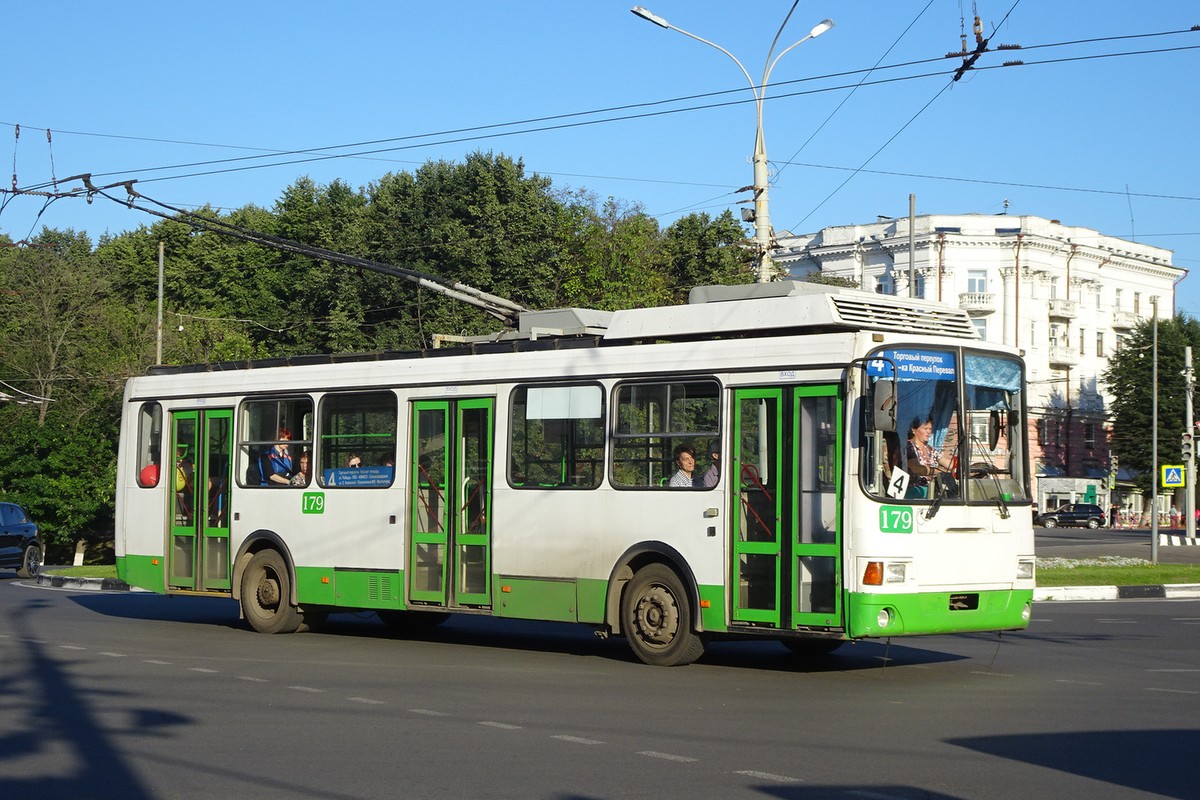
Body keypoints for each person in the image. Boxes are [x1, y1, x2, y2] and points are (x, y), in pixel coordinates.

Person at [905, 417, 953, 498]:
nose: (928, 432)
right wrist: (939, 472)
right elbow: (917, 469)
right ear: (913, 430)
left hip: (932, 488)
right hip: (914, 490)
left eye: (930, 429)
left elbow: (948, 463)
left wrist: (959, 465)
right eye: (925, 428)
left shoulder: (929, 449)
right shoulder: (908, 446)